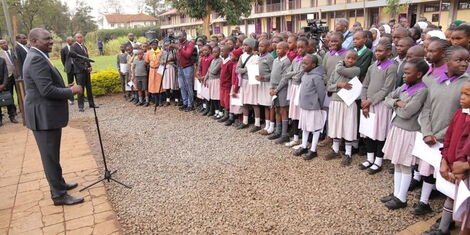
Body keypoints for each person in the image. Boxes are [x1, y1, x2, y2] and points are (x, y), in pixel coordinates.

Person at [23, 28, 84, 206]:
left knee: (52, 155)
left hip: (45, 114)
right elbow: (46, 90)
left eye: (51, 38)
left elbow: (45, 85)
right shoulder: (35, 58)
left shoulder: (38, 55)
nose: (50, 42)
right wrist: (70, 91)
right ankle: (58, 195)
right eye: (46, 39)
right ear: (34, 41)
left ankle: (60, 183)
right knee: (49, 157)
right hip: (43, 117)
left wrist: (64, 86)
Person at [421, 46, 470, 234]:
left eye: (467, 60)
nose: (464, 63)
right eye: (459, 60)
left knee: (454, 187)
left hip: (455, 145)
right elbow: (426, 109)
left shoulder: (466, 83)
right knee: (438, 179)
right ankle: (442, 219)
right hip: (435, 140)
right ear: (446, 60)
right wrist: (427, 132)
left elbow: (457, 122)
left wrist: (438, 135)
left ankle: (448, 223)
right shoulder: (436, 81)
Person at [380, 58, 429, 210]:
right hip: (397, 128)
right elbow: (387, 98)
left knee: (405, 164)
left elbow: (408, 112)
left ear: (419, 74)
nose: (403, 75)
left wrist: (395, 104)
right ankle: (396, 193)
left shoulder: (422, 90)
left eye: (407, 73)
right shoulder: (404, 87)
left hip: (408, 131)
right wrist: (396, 103)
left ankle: (402, 198)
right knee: (397, 163)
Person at [412, 39, 453, 217]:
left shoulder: (454, 77)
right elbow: (426, 105)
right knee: (426, 166)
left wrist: (441, 132)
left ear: (443, 53)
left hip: (445, 130)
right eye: (426, 50)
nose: (426, 54)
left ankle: (448, 213)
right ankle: (424, 201)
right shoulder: (429, 74)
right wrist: (427, 130)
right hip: (426, 125)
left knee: (445, 171)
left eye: (431, 51)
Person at [359, 41, 398, 175]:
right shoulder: (372, 66)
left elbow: (386, 89)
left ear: (388, 52)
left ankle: (378, 161)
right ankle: (370, 158)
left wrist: (370, 101)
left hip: (380, 105)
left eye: (380, 51)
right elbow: (365, 84)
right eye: (376, 51)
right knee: (369, 131)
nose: (377, 53)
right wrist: (363, 100)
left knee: (380, 133)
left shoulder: (391, 67)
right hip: (367, 105)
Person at [325, 50, 360, 165]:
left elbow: (341, 70)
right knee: (335, 125)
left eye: (353, 58)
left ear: (356, 60)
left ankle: (348, 153)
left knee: (348, 126)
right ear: (344, 57)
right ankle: (335, 150)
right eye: (348, 58)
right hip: (336, 101)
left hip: (348, 102)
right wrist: (339, 85)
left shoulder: (356, 70)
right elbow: (329, 86)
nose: (350, 60)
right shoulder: (336, 71)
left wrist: (339, 64)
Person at [293, 55, 326, 160]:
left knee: (315, 128)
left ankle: (313, 149)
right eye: (303, 63)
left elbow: (321, 93)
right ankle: (304, 145)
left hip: (313, 107)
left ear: (313, 65)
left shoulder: (317, 77)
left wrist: (319, 104)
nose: (303, 65)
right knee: (305, 126)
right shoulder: (305, 75)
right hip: (304, 106)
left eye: (306, 64)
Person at [277, 37, 309, 147]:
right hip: (294, 88)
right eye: (298, 47)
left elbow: (299, 75)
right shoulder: (296, 59)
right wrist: (293, 74)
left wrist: (292, 74)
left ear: (307, 47)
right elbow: (287, 73)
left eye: (302, 47)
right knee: (294, 114)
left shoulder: (308, 59)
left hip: (302, 88)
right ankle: (295, 138)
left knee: (302, 114)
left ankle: (305, 140)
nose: (299, 50)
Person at [269, 42, 291, 144]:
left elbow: (285, 78)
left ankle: (284, 134)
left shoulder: (286, 62)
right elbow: (272, 76)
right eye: (277, 48)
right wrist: (271, 88)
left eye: (280, 48)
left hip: (282, 89)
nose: (277, 50)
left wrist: (276, 90)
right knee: (277, 109)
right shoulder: (275, 61)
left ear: (286, 50)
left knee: (283, 110)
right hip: (274, 89)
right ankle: (278, 131)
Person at [236, 38, 259, 130]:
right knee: (244, 102)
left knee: (254, 102)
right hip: (244, 81)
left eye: (246, 45)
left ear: (252, 46)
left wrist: (245, 70)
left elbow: (253, 70)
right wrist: (246, 69)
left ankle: (257, 124)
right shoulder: (242, 56)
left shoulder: (256, 57)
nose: (244, 47)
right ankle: (245, 121)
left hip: (252, 81)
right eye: (243, 45)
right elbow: (237, 69)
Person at [70, 33, 97, 112]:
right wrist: (84, 68)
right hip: (80, 71)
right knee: (80, 88)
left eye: (81, 37)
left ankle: (91, 104)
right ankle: (80, 106)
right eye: (78, 37)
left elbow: (86, 58)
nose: (80, 38)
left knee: (89, 87)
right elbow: (75, 60)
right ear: (75, 38)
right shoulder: (73, 47)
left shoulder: (84, 47)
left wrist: (89, 66)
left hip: (87, 71)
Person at [256, 39, 275, 135]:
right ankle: (266, 125)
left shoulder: (269, 57)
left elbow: (273, 73)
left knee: (270, 105)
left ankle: (271, 126)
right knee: (265, 105)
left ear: (268, 47)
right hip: (261, 83)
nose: (260, 48)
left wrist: (264, 77)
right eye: (259, 46)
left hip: (268, 83)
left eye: (262, 46)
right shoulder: (259, 57)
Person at [174, 31, 196, 111]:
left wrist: (179, 48)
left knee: (188, 86)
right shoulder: (179, 44)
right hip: (180, 67)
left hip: (187, 67)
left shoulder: (190, 44)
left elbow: (187, 54)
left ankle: (190, 105)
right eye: (178, 37)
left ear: (185, 36)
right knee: (182, 86)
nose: (178, 38)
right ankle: (185, 103)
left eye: (180, 36)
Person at [0, 40, 18, 123]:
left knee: (12, 97)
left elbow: (5, 71)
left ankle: (13, 115)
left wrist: (4, 83)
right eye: (1, 44)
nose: (3, 44)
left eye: (4, 43)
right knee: (5, 98)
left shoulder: (3, 59)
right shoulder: (1, 55)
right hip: (5, 81)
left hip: (11, 80)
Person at [204, 46, 222, 119]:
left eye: (216, 52)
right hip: (211, 81)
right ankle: (216, 111)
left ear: (219, 52)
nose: (214, 53)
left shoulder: (220, 61)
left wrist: (209, 69)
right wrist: (205, 78)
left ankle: (220, 112)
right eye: (213, 52)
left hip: (216, 80)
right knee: (213, 97)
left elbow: (214, 71)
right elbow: (209, 71)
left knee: (217, 97)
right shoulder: (213, 60)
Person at [218, 45, 235, 123]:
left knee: (228, 101)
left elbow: (231, 75)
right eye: (220, 51)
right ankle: (225, 115)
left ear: (228, 52)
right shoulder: (222, 61)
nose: (221, 52)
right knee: (223, 101)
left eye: (223, 51)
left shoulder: (230, 62)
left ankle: (230, 117)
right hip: (222, 85)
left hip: (227, 85)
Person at [160, 40, 179, 106]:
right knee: (167, 85)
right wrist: (167, 61)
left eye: (168, 45)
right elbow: (161, 61)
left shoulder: (174, 52)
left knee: (174, 84)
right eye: (165, 45)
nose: (167, 46)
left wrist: (168, 61)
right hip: (166, 69)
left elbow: (174, 59)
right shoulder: (163, 53)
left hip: (173, 69)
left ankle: (176, 99)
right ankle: (167, 100)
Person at [145, 40, 163, 106]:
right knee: (153, 85)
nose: (154, 46)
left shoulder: (161, 52)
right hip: (152, 70)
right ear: (151, 46)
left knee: (159, 85)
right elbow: (147, 61)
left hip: (159, 70)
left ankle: (160, 101)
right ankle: (155, 101)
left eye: (155, 44)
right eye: (152, 45)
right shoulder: (149, 52)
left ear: (157, 44)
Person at [60, 37, 75, 104]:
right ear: (68, 41)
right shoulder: (64, 49)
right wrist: (66, 66)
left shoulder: (74, 47)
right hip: (69, 68)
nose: (72, 42)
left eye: (73, 41)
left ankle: (81, 97)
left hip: (76, 67)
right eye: (71, 41)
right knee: (70, 83)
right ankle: (71, 99)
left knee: (79, 82)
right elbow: (63, 59)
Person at [0, 56, 10, 126]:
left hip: (3, 85)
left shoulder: (2, 60)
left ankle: (12, 116)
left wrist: (4, 84)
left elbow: (6, 73)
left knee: (9, 100)